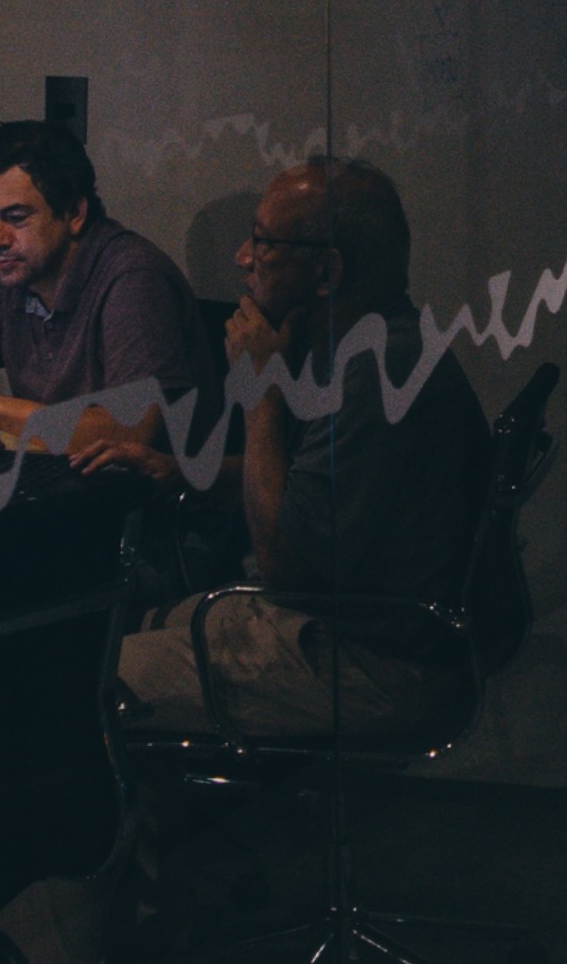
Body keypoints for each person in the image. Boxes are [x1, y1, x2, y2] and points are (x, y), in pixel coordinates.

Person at [113, 157, 488, 739]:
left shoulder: (376, 371)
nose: (242, 258)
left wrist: (261, 393)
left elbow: (285, 563)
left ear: (325, 273)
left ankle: (149, 826)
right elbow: (305, 487)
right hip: (348, 623)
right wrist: (180, 472)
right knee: (133, 624)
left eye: (261, 242)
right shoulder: (373, 346)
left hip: (380, 661)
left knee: (98, 676)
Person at [0, 120, 199, 472]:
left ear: (74, 213)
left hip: (137, 508)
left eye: (15, 217)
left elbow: (131, 433)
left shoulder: (133, 278)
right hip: (60, 488)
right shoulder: (6, 271)